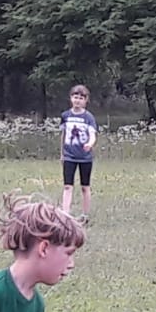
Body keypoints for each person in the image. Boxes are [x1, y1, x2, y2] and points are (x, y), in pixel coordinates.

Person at [60, 85, 98, 219]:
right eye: (75, 97)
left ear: (86, 100)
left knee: (85, 186)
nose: (77, 100)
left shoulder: (88, 117)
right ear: (71, 98)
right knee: (67, 186)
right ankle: (65, 215)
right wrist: (62, 153)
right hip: (69, 156)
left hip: (85, 158)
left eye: (81, 98)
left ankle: (85, 215)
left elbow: (92, 134)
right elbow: (63, 135)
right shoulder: (65, 116)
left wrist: (90, 144)